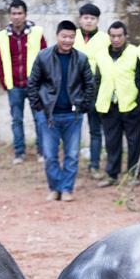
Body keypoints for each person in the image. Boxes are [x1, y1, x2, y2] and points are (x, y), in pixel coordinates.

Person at [28, 20, 95, 202]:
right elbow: (32, 83)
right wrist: (39, 108)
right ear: (57, 36)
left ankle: (66, 189)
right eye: (64, 36)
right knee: (50, 156)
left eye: (71, 37)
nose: (67, 40)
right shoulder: (43, 57)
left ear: (75, 38)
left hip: (73, 115)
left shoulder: (81, 59)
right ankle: (54, 188)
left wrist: (83, 106)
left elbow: (90, 84)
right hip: (49, 115)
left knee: (72, 155)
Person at [0, 0, 47, 164]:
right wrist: (5, 83)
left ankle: (42, 152)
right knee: (16, 120)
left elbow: (45, 57)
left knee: (39, 119)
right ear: (10, 15)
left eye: (20, 13)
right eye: (13, 13)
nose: (16, 16)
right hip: (14, 86)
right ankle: (19, 153)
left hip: (35, 85)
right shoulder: (2, 36)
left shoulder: (36, 33)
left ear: (25, 15)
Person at [95, 21, 140, 188]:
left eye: (119, 36)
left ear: (126, 37)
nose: (116, 39)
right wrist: (98, 98)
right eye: (113, 36)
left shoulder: (136, 53)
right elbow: (97, 79)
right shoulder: (101, 55)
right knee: (112, 142)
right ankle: (112, 174)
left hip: (130, 105)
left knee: (134, 142)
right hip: (109, 106)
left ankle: (133, 174)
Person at [72, 3, 109, 179]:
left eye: (92, 18)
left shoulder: (104, 38)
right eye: (86, 17)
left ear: (97, 20)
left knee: (95, 129)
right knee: (73, 128)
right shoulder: (73, 36)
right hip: (74, 89)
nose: (89, 21)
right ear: (80, 19)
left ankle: (94, 165)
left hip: (95, 88)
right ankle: (72, 164)